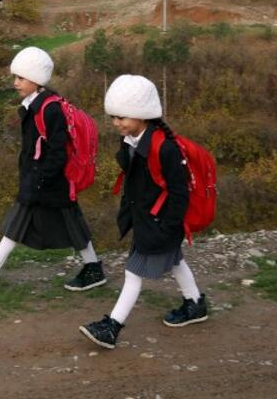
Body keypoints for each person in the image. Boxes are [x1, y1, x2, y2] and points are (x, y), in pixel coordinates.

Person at [0, 47, 106, 292]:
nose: (15, 83)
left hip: (51, 180)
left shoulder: (50, 109)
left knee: (68, 222)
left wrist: (39, 178)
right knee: (35, 220)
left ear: (36, 80)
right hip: (42, 178)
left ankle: (92, 269)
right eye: (15, 77)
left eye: (20, 78)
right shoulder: (36, 104)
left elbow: (58, 152)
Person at [80, 74, 207, 349]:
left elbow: (179, 193)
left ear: (142, 114)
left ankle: (112, 326)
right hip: (148, 219)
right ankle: (195, 303)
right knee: (175, 262)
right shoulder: (132, 140)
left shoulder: (165, 148)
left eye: (122, 117)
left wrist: (169, 228)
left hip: (159, 223)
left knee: (133, 273)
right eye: (113, 117)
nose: (116, 123)